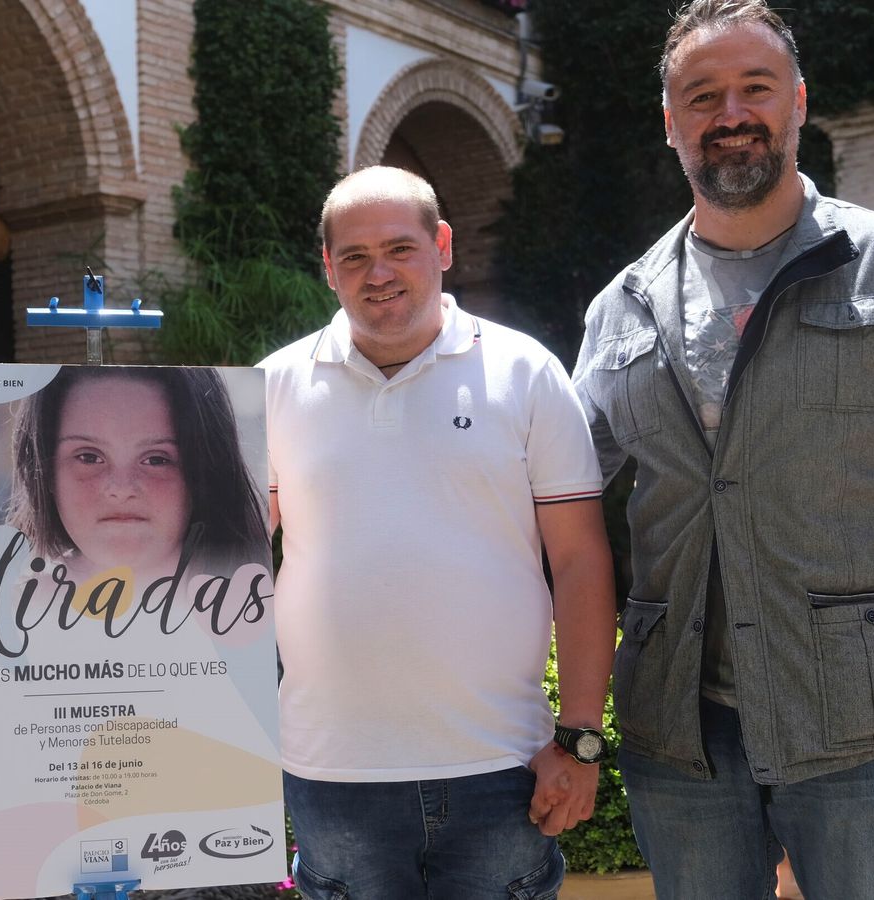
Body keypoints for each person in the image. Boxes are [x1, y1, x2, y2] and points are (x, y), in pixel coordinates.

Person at [569, 2, 874, 897]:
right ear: (672, 123)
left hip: (860, 720)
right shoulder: (621, 307)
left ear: (798, 101)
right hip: (680, 735)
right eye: (701, 95)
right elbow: (549, 494)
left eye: (755, 87)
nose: (731, 113)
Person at [262, 166, 617, 899]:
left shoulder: (526, 373)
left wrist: (580, 740)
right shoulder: (270, 386)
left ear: (443, 246)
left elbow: (581, 561)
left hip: (502, 768)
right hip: (334, 774)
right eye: (354, 256)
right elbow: (210, 569)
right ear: (328, 267)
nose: (378, 272)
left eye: (399, 247)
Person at [7, 365, 269, 584]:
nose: (121, 489)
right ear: (46, 472)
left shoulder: (274, 612)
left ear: (205, 470)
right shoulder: (5, 624)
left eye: (156, 460)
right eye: (89, 457)